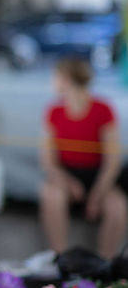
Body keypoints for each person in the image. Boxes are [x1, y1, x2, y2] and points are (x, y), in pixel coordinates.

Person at [39, 57, 127, 259]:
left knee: (117, 206)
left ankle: (106, 264)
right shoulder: (55, 112)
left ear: (67, 79)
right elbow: (48, 161)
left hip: (98, 176)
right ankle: (61, 258)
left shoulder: (103, 110)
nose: (53, 82)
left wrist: (97, 194)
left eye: (56, 77)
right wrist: (68, 182)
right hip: (67, 173)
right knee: (51, 195)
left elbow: (112, 162)